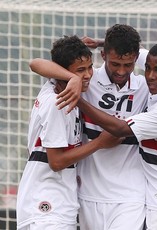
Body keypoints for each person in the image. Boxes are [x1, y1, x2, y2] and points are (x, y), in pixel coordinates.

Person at [29, 24, 157, 230]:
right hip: (86, 194)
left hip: (131, 198)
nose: (121, 71)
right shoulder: (84, 80)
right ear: (103, 56)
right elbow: (37, 63)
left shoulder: (147, 86)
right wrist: (72, 79)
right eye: (115, 64)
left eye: (128, 65)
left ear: (136, 60)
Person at [76, 41, 157, 229]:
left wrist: (78, 101)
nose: (150, 76)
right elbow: (135, 55)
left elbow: (120, 129)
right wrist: (104, 43)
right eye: (147, 69)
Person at [16, 35, 121, 230]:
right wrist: (99, 143)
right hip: (46, 205)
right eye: (80, 70)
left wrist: (75, 76)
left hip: (58, 203)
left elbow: (37, 64)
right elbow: (56, 162)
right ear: (62, 72)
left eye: (90, 67)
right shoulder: (58, 102)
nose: (89, 75)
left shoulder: (59, 88)